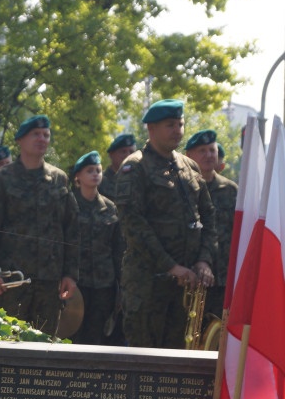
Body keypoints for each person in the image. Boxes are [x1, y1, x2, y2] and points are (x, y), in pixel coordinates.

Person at [114, 99, 216, 349]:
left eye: (180, 124)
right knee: (145, 362)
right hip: (148, 285)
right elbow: (133, 224)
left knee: (179, 362)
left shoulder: (189, 166)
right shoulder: (135, 167)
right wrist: (171, 266)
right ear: (151, 128)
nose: (177, 131)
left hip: (185, 289)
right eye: (170, 125)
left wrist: (204, 260)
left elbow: (208, 216)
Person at [0, 115, 79, 336]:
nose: (42, 139)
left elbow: (71, 230)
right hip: (11, 281)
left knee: (44, 344)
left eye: (46, 135)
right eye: (36, 134)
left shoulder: (59, 179)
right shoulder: (2, 179)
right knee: (7, 342)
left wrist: (70, 274)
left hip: (49, 282)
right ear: (20, 140)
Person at [69, 151, 123, 345]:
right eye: (89, 170)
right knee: (73, 334)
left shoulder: (110, 208)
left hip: (103, 284)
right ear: (78, 176)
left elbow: (118, 250)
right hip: (76, 283)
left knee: (97, 338)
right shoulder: (69, 205)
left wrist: (120, 287)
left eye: (98, 170)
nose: (95, 174)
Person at [184, 129, 238, 323]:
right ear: (188, 156)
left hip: (223, 278)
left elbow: (239, 233)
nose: (208, 155)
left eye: (212, 150)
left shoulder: (231, 190)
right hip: (190, 278)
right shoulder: (182, 188)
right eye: (202, 151)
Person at [98, 133, 136, 200]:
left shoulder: (138, 178)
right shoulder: (99, 181)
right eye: (123, 152)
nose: (128, 156)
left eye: (131, 152)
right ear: (111, 155)